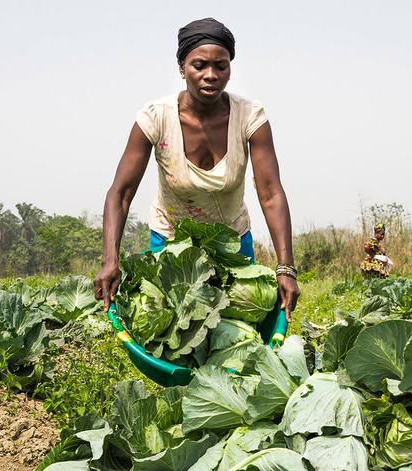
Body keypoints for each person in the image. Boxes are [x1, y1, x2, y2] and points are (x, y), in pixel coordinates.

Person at [94, 17, 300, 320]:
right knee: (172, 330)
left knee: (238, 330)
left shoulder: (249, 117)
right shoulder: (155, 118)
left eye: (221, 65)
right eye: (199, 65)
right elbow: (120, 194)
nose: (211, 75)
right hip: (171, 243)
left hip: (231, 240)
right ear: (181, 68)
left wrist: (285, 267)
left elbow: (270, 193)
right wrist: (110, 259)